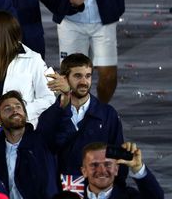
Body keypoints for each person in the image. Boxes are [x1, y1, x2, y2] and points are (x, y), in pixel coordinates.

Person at [36, 53, 125, 189]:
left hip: (98, 190)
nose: (84, 82)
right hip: (62, 191)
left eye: (88, 76)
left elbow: (118, 156)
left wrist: (117, 191)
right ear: (64, 79)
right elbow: (47, 150)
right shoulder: (49, 116)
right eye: (78, 76)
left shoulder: (108, 114)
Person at [0, 91, 58, 199]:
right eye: (7, 109)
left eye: (18, 107)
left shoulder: (43, 141)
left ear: (25, 113)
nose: (15, 110)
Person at [80, 142, 163, 198]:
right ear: (84, 171)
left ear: (116, 169)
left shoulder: (130, 196)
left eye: (107, 164)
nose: (102, 170)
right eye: (94, 165)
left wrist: (138, 168)